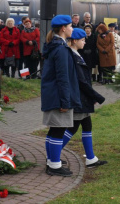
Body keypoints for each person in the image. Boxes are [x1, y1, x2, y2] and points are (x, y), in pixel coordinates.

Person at [41, 14, 81, 177]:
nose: (72, 28)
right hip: (59, 96)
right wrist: (65, 101)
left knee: (54, 130)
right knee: (58, 129)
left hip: (53, 94)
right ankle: (54, 166)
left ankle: (52, 161)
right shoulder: (61, 49)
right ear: (63, 28)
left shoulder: (55, 45)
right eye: (70, 26)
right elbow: (62, 77)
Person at [62, 28, 107, 168]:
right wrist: (96, 96)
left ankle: (91, 158)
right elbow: (82, 82)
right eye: (82, 40)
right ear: (74, 41)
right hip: (79, 98)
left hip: (82, 98)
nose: (85, 42)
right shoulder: (73, 56)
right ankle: (52, 155)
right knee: (73, 127)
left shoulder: (75, 54)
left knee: (86, 125)